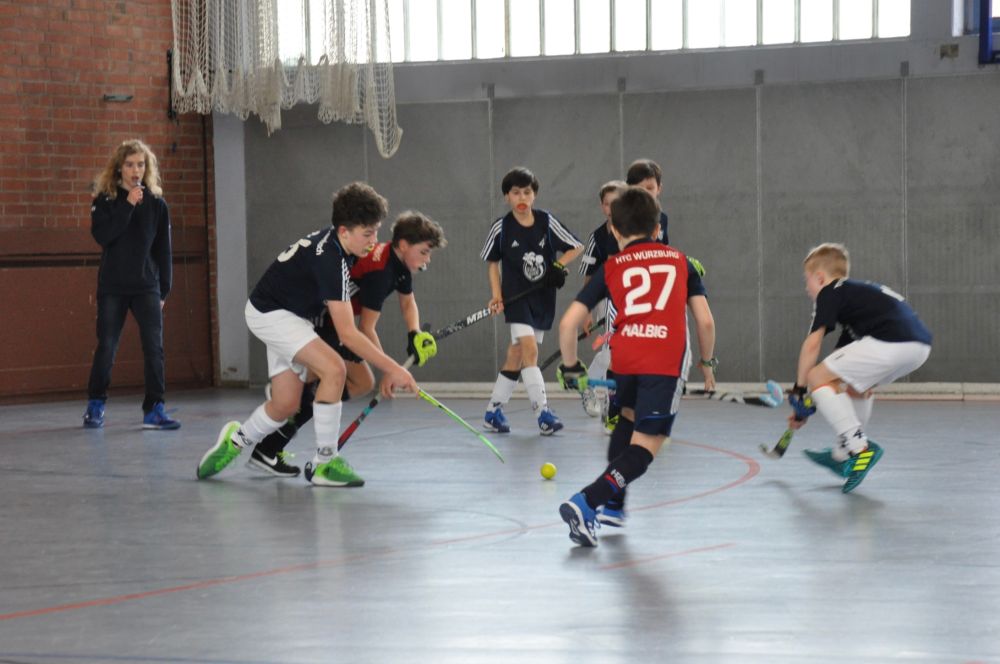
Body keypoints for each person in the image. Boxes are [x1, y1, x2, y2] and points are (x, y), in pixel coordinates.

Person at [196, 182, 419, 487]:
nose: (374, 241)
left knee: (286, 404)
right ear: (344, 231)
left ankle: (235, 440)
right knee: (334, 369)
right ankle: (325, 462)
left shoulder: (341, 247)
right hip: (272, 314)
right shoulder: (330, 260)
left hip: (290, 314)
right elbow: (348, 334)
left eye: (376, 232)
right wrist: (394, 369)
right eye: (368, 234)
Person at [555, 185, 717, 547]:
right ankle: (588, 501)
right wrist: (707, 364)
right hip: (664, 361)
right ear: (658, 228)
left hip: (624, 358)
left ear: (614, 230)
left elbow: (567, 324)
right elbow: (705, 322)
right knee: (645, 448)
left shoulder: (612, 266)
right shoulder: (681, 261)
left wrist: (571, 367)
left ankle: (613, 506)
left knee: (627, 419)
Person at [246, 211, 446, 478]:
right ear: (403, 245)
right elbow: (366, 328)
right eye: (424, 252)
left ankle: (273, 440)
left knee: (358, 383)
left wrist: (415, 332)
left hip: (337, 320)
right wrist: (390, 370)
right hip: (330, 320)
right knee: (345, 380)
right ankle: (286, 420)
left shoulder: (397, 264)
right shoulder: (380, 272)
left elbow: (408, 302)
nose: (427, 259)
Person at [786, 243, 932, 493]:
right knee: (854, 386)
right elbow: (835, 373)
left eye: (806, 280)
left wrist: (800, 391)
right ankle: (842, 455)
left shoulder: (830, 292)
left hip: (892, 341)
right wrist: (810, 402)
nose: (806, 288)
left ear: (820, 278)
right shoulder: (858, 301)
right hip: (918, 347)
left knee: (815, 375)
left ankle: (860, 449)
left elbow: (812, 345)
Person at [83, 139, 179, 430]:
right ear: (119, 168)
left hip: (146, 286)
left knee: (154, 348)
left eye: (140, 164)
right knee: (107, 346)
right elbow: (103, 237)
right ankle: (95, 405)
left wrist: (164, 289)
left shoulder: (157, 204)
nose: (136, 170)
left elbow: (163, 250)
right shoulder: (105, 201)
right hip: (113, 286)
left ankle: (155, 408)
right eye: (129, 165)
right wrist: (127, 205)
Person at [480, 167, 583, 435]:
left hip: (541, 299)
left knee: (516, 354)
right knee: (530, 351)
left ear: (534, 195)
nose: (522, 197)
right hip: (515, 300)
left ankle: (492, 411)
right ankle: (543, 413)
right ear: (507, 197)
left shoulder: (546, 222)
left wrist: (557, 266)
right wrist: (496, 295)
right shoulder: (501, 227)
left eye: (527, 192)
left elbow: (576, 246)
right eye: (516, 193)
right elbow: (492, 264)